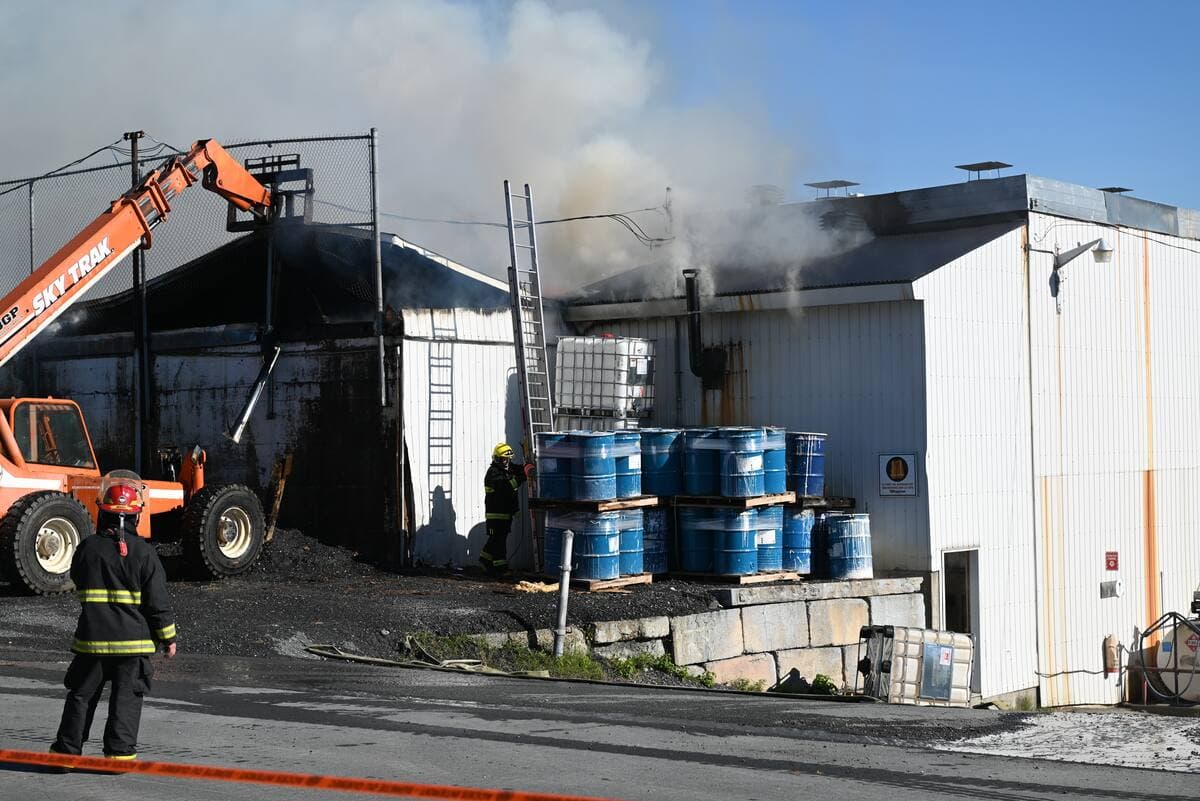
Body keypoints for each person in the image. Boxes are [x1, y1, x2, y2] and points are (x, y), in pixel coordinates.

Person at [50, 471, 177, 763]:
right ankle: (118, 754)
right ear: (136, 515)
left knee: (81, 696)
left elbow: (78, 578)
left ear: (102, 510)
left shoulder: (87, 548)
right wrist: (168, 637)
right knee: (126, 698)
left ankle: (66, 754)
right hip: (133, 647)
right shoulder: (145, 553)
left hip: (92, 643)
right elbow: (158, 602)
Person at [480, 443, 533, 575]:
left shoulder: (508, 469)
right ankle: (500, 569)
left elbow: (520, 469)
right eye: (503, 459)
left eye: (507, 459)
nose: (506, 462)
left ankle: (485, 560)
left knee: (497, 539)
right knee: (498, 541)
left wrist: (529, 467)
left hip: (505, 513)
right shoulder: (493, 473)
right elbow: (507, 487)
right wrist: (521, 477)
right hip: (495, 514)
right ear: (496, 459)